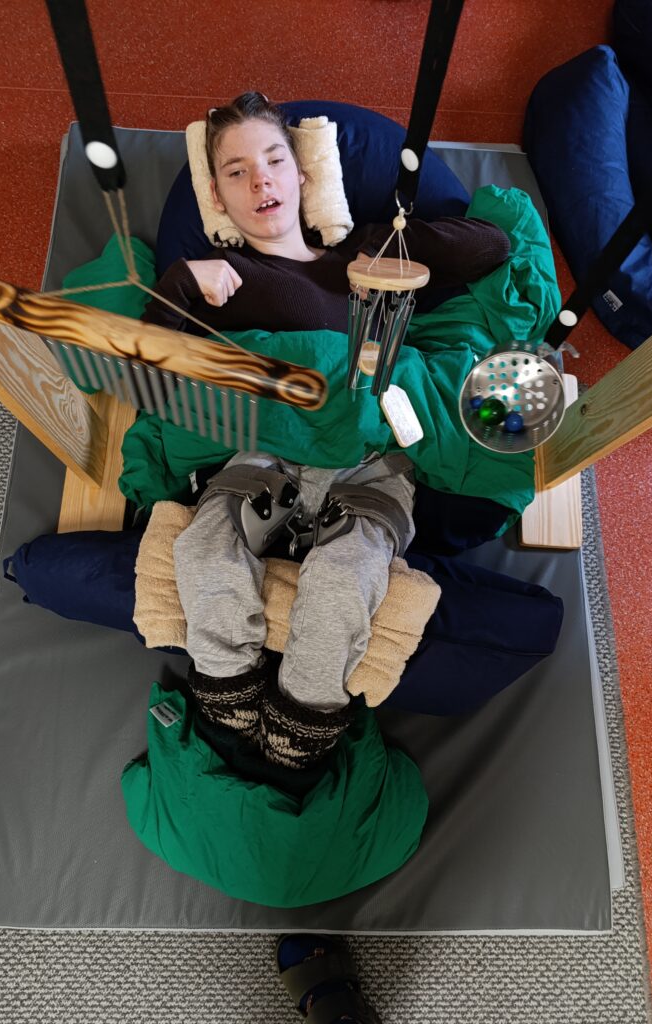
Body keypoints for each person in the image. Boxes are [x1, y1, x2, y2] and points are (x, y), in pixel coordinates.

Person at [143, 91, 510, 772]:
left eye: (274, 160)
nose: (260, 181)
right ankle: (226, 689)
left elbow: (494, 245)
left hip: (366, 461)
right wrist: (182, 281)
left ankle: (305, 720)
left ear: (303, 173)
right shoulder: (224, 283)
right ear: (216, 198)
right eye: (236, 171)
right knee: (205, 549)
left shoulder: (365, 256)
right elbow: (149, 373)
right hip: (265, 452)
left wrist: (395, 241)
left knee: (345, 578)